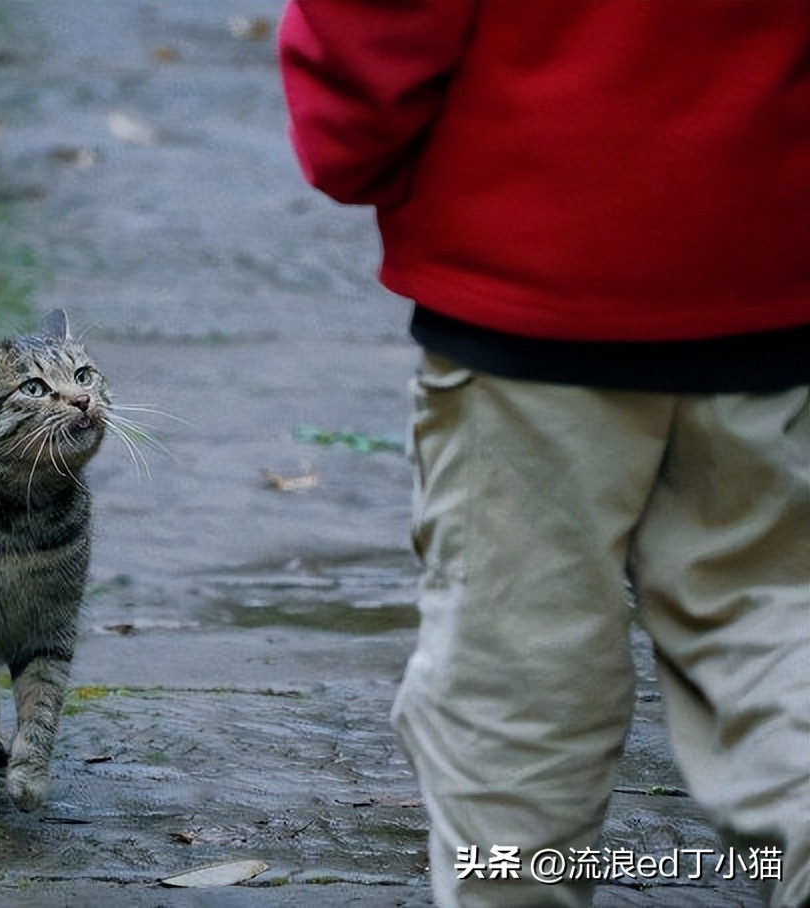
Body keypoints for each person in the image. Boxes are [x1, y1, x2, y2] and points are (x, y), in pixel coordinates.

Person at [278, 2, 810, 905]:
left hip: (530, 267)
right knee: (774, 626)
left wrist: (350, 139)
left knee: (519, 666)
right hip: (774, 257)